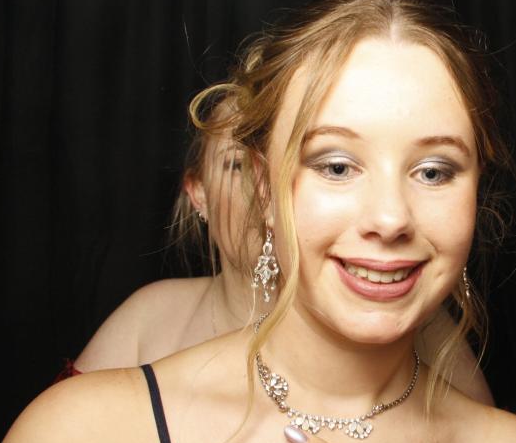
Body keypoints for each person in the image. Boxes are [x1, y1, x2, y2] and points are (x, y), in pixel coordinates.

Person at [0, 0, 516, 443]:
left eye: (434, 171)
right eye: (336, 166)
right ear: (264, 185)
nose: (391, 218)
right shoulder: (81, 436)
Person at [72, 95, 494, 405]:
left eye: (325, 166)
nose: (268, 191)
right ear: (198, 193)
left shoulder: (412, 326)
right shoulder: (148, 317)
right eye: (238, 165)